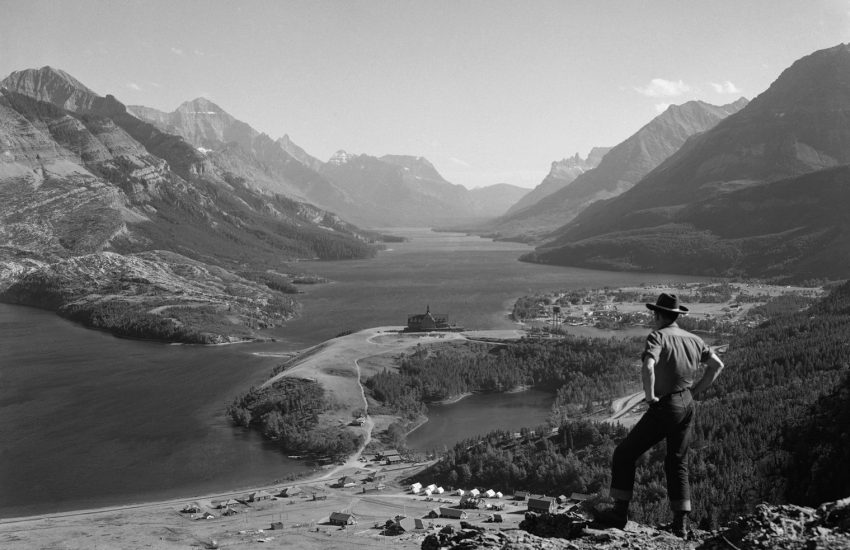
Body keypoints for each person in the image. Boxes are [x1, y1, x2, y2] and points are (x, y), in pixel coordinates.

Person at [594, 293, 725, 537]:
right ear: (677, 315)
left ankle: (619, 513)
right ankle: (681, 525)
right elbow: (718, 365)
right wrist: (696, 390)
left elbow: (648, 366)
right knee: (677, 461)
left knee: (624, 454)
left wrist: (650, 395)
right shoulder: (695, 339)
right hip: (687, 404)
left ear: (658, 315)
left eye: (654, 314)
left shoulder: (658, 336)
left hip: (666, 405)